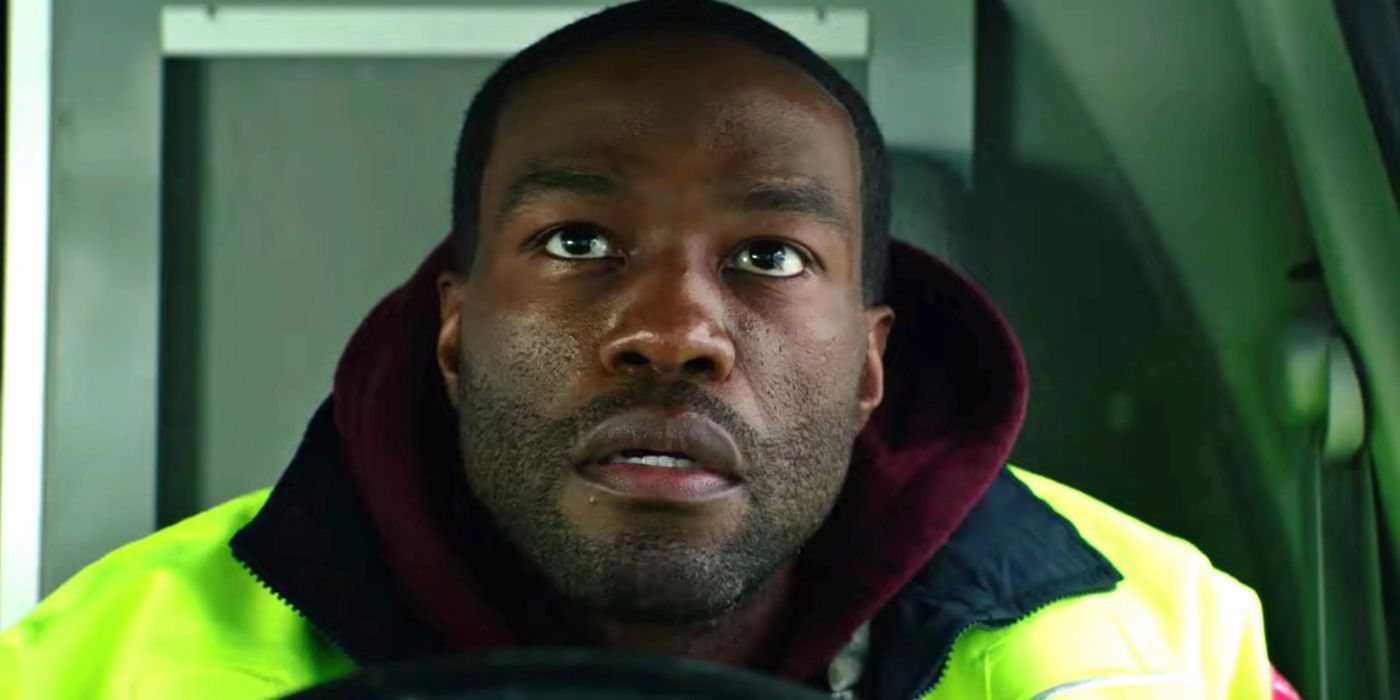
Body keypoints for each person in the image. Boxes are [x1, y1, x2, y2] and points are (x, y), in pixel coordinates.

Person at [0, 1, 1300, 698]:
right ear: (454, 329)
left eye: (771, 257)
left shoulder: (1164, 643)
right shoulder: (93, 669)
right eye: (575, 242)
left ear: (869, 365)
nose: (671, 335)